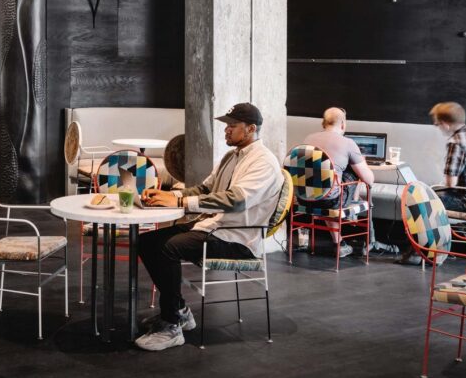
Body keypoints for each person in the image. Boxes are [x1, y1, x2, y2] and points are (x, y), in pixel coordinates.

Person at [134, 102, 284, 351]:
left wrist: (181, 201)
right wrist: (169, 194)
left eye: (232, 126)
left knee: (168, 248)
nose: (226, 130)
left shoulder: (264, 162)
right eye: (226, 125)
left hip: (238, 239)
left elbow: (236, 200)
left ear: (250, 129)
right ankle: (180, 311)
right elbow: (205, 189)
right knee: (148, 241)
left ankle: (172, 326)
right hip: (215, 226)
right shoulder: (231, 156)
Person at [300, 107, 396, 257]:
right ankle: (353, 210)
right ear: (343, 124)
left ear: (323, 123)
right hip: (331, 201)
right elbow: (369, 180)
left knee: (326, 183)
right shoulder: (348, 143)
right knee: (351, 172)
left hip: (304, 199)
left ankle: (339, 244)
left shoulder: (308, 139)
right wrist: (359, 161)